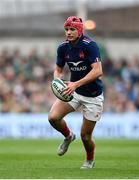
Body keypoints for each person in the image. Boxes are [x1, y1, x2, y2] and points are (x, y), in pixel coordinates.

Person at [48, 16, 104, 169]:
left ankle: (89, 160)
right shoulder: (63, 47)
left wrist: (75, 84)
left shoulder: (90, 45)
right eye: (66, 29)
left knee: (85, 136)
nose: (68, 32)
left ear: (79, 30)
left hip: (93, 95)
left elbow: (98, 71)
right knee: (53, 118)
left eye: (72, 29)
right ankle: (68, 136)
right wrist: (57, 81)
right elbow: (58, 70)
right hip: (74, 92)